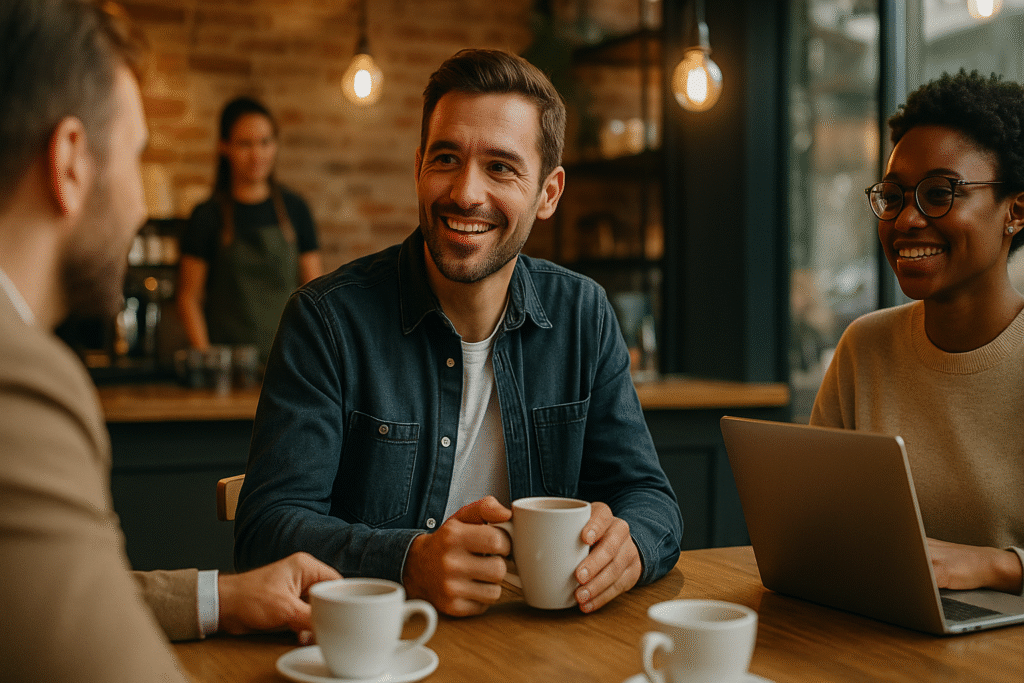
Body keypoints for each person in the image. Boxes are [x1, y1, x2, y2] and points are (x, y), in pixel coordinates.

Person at [234, 48, 684, 617]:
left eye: (501, 167)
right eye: (446, 158)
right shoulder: (326, 321)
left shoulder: (583, 315)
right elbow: (265, 532)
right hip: (380, 647)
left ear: (548, 193)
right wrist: (407, 562)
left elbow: (649, 498)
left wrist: (632, 545)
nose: (466, 193)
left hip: (539, 646)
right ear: (418, 168)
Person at [0, 2, 340, 681]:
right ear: (70, 162)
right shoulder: (24, 380)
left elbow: (54, 588)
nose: (139, 204)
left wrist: (223, 596)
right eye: (137, 155)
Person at [810, 70, 1024, 596]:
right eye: (893, 196)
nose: (906, 219)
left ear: (1016, 211)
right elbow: (812, 524)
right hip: (879, 625)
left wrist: (997, 568)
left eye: (939, 193)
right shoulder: (864, 348)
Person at [176, 96, 323, 362]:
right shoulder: (207, 216)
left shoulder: (295, 210)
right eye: (245, 144)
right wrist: (208, 357)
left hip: (288, 362)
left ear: (275, 145)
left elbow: (315, 294)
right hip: (228, 367)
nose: (257, 155)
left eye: (265, 142)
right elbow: (189, 297)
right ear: (224, 147)